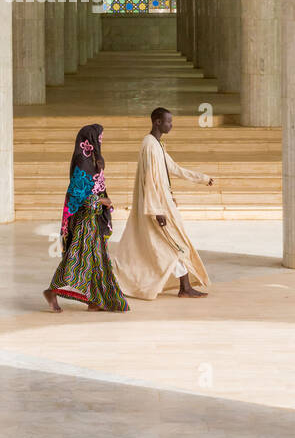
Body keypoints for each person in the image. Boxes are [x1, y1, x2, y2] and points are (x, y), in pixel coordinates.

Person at [111, 107, 215, 300]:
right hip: (157, 208)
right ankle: (184, 287)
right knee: (174, 245)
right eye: (168, 121)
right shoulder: (149, 145)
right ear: (157, 122)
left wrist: (201, 178)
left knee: (173, 245)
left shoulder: (157, 145)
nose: (171, 125)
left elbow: (174, 168)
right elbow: (149, 179)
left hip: (163, 205)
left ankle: (184, 287)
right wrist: (157, 210)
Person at [44, 123, 129, 313]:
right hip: (84, 220)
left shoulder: (93, 160)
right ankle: (52, 291)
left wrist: (102, 201)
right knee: (77, 257)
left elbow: (96, 187)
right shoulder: (83, 161)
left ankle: (95, 300)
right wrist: (101, 202)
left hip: (94, 219)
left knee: (96, 259)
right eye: (99, 138)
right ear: (89, 140)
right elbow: (76, 194)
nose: (100, 141)